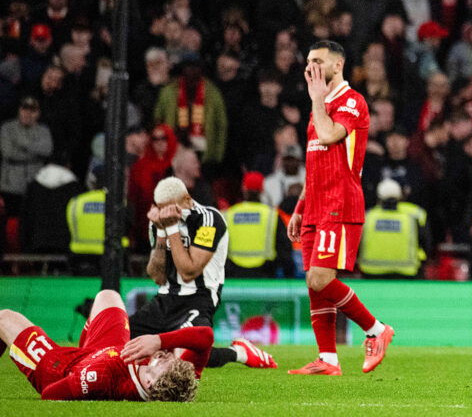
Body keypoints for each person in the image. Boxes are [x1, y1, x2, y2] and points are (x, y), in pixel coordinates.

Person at [286, 40, 394, 376]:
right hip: (316, 204)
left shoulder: (352, 101)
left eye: (318, 62)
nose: (310, 69)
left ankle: (377, 330)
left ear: (338, 65)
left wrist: (317, 99)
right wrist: (301, 206)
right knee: (313, 281)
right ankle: (328, 359)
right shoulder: (319, 106)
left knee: (321, 278)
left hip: (340, 202)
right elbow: (315, 160)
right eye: (308, 62)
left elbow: (331, 135)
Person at [132, 176, 276, 370]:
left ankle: (238, 352)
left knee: (184, 358)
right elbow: (157, 276)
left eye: (171, 209)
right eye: (162, 209)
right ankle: (164, 349)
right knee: (120, 343)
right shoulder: (159, 221)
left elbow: (189, 272)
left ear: (187, 200)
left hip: (198, 299)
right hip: (164, 300)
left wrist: (172, 228)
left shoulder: (209, 219)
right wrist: (160, 232)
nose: (166, 214)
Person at [0, 289, 211, 401]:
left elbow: (50, 394)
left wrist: (80, 379)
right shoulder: (179, 379)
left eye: (163, 361)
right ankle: (87, 346)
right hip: (111, 347)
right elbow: (205, 336)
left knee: (5, 318)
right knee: (108, 295)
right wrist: (158, 340)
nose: (165, 355)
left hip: (62, 366)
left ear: (148, 384)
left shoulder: (102, 376)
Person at [225, 171, 291, 278]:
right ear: (262, 190)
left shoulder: (229, 214)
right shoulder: (272, 215)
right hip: (265, 275)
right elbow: (284, 249)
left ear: (244, 189)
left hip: (234, 276)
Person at [358, 179, 429, 278]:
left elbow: (354, 245)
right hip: (407, 274)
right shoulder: (413, 216)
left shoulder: (368, 216)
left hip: (371, 273)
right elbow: (426, 243)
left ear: (378, 197)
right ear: (400, 196)